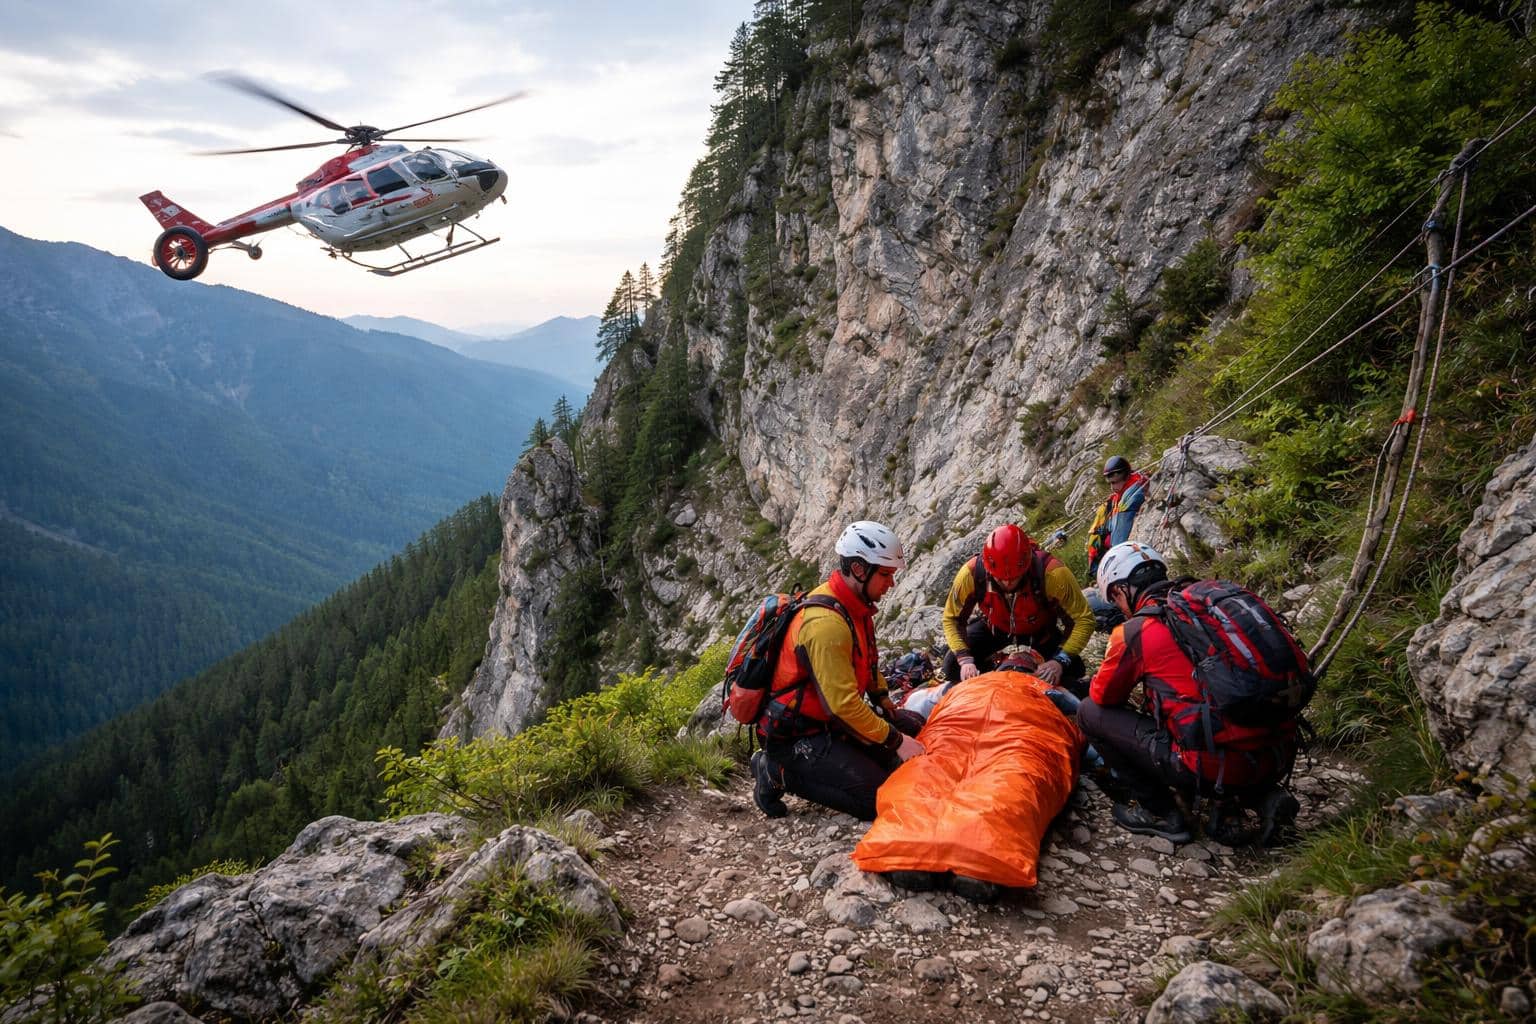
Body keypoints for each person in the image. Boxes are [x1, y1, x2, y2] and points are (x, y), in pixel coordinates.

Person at [1076, 542, 1301, 845]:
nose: (1119, 607)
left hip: (1216, 765)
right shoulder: (1208, 607)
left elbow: (1103, 698)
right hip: (1279, 752)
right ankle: (1260, 796)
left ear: (1121, 590)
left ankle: (1158, 811)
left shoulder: (1137, 631)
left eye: (1116, 599)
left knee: (1089, 713)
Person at [751, 520, 925, 821]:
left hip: (826, 723)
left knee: (912, 732)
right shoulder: (825, 625)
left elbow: (868, 663)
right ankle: (773, 770)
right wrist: (896, 740)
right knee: (876, 799)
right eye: (885, 574)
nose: (891, 584)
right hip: (795, 735)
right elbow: (843, 705)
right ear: (859, 570)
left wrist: (885, 704)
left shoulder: (856, 607)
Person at [939, 523, 1094, 697]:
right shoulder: (971, 573)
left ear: (1027, 565)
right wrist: (965, 660)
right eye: (1000, 579)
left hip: (1040, 633)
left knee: (1075, 669)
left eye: (1014, 578)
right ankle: (996, 673)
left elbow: (1083, 619)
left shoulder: (1053, 574)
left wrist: (1060, 660)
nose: (1007, 583)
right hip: (995, 628)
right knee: (952, 666)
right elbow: (951, 619)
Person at [1084, 456, 1149, 630]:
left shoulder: (1128, 500)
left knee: (1087, 605)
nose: (1113, 487)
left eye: (1116, 482)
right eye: (1111, 483)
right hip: (1126, 568)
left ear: (1126, 476)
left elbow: (1118, 544)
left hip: (1124, 572)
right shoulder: (1119, 498)